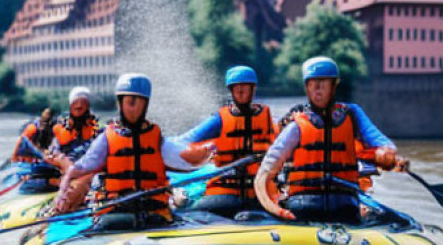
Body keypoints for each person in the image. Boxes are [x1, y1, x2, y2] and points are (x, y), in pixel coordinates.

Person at [254, 57, 408, 224]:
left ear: (334, 86)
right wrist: (274, 208)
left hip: (344, 204)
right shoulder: (296, 125)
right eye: (313, 84)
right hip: (305, 206)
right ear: (307, 87)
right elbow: (264, 174)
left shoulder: (352, 115)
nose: (318, 90)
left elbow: (378, 139)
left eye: (324, 83)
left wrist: (386, 152)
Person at [50, 73, 208, 226]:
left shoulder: (157, 139)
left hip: (152, 211)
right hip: (116, 209)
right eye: (130, 103)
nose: (134, 109)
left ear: (145, 105)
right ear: (120, 104)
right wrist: (63, 191)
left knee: (161, 218)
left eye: (139, 103)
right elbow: (79, 168)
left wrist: (209, 153)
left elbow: (186, 160)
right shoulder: (106, 138)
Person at [174, 65, 275, 217]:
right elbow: (185, 140)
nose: (241, 92)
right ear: (231, 91)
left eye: (245, 88)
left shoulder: (266, 118)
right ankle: (182, 204)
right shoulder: (219, 120)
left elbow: (288, 135)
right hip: (226, 194)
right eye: (237, 88)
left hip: (258, 194)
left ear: (253, 89)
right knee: (186, 213)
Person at [47, 85, 101, 168]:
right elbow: (53, 152)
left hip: (88, 168)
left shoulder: (96, 128)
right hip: (66, 167)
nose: (79, 106)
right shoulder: (62, 127)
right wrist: (62, 160)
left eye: (83, 103)